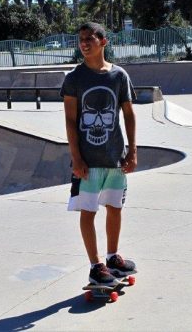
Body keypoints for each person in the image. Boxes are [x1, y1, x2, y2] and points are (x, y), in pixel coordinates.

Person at [60, 22, 138, 286]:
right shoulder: (74, 79)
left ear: (103, 42)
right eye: (80, 39)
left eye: (89, 38)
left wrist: (132, 151)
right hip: (88, 160)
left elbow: (128, 114)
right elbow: (71, 120)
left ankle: (113, 255)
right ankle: (96, 265)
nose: (83, 43)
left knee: (115, 207)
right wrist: (77, 157)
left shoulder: (119, 76)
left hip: (115, 156)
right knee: (88, 211)